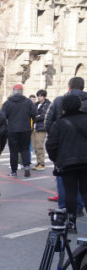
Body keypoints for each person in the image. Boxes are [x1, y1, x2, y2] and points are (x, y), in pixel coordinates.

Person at [46, 94, 87, 228]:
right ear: (80, 105)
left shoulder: (59, 124)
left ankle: (71, 222)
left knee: (70, 192)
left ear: (63, 108)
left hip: (67, 163)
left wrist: (57, 159)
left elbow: (51, 144)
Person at [1, 83, 36, 177]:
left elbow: (3, 116)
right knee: (25, 149)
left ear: (13, 91)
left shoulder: (8, 103)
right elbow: (34, 114)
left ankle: (14, 171)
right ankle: (26, 166)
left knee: (13, 151)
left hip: (12, 129)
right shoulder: (28, 102)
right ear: (22, 92)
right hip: (25, 129)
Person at [32, 89, 50, 171]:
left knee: (39, 146)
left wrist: (37, 117)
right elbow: (33, 114)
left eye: (40, 96)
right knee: (34, 146)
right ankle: (38, 162)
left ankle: (41, 163)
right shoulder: (36, 104)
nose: (38, 98)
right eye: (38, 96)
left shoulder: (47, 104)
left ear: (44, 96)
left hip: (41, 128)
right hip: (34, 127)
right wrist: (36, 116)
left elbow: (44, 115)